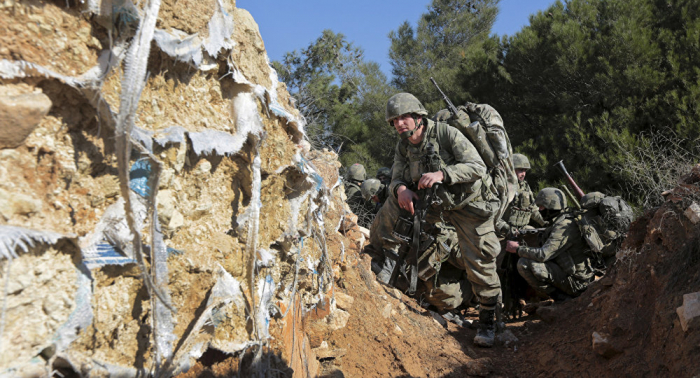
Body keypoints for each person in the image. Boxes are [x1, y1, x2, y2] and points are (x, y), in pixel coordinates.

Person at [375, 92, 502, 347]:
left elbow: (477, 167)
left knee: (479, 257)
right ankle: (386, 260)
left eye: (404, 117)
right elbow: (396, 177)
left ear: (418, 116)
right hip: (436, 205)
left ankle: (489, 316)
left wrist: (443, 174)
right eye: (395, 120)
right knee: (400, 215)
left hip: (471, 205)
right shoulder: (403, 146)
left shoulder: (446, 134)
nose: (400, 123)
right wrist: (401, 189)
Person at [505, 188, 595, 301]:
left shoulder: (563, 226)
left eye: (541, 207)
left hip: (577, 283)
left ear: (550, 207)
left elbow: (543, 255)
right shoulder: (562, 220)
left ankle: (562, 299)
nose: (539, 210)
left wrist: (517, 249)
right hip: (574, 276)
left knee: (524, 264)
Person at [495, 153, 546, 238]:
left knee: (537, 237)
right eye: (520, 170)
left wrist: (545, 222)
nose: (523, 174)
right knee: (496, 250)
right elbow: (492, 214)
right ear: (511, 169)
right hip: (501, 231)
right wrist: (507, 228)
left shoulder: (525, 186)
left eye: (525, 170)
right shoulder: (501, 185)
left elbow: (532, 209)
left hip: (521, 229)